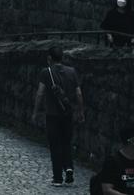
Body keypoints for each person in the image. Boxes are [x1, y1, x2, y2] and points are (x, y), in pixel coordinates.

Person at [31, 45, 84, 187]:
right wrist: (80, 111)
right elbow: (78, 93)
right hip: (68, 114)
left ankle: (58, 178)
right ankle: (69, 168)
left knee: (55, 145)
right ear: (62, 57)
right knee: (66, 142)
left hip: (52, 115)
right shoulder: (72, 72)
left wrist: (36, 112)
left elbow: (40, 93)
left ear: (49, 58)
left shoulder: (45, 72)